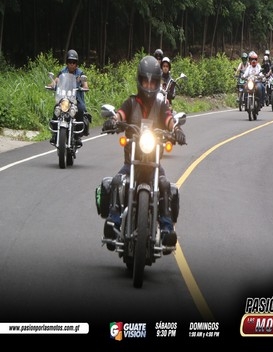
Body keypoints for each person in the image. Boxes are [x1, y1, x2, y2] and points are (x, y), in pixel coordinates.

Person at [101, 55, 186, 248]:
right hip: (131, 162)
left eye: (152, 81)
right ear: (139, 81)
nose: (148, 85)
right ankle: (113, 222)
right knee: (116, 182)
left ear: (157, 83)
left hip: (154, 164)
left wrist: (176, 130)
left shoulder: (161, 104)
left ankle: (166, 229)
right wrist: (113, 121)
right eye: (145, 81)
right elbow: (120, 114)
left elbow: (169, 119)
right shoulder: (130, 103)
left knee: (164, 185)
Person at [49, 49, 90, 146]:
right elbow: (57, 80)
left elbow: (85, 84)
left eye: (74, 62)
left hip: (75, 100)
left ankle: (77, 136)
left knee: (80, 110)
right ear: (67, 62)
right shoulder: (63, 71)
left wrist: (84, 86)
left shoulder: (80, 73)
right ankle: (55, 134)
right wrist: (53, 84)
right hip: (63, 98)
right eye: (70, 62)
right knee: (56, 109)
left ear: (76, 63)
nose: (72, 64)